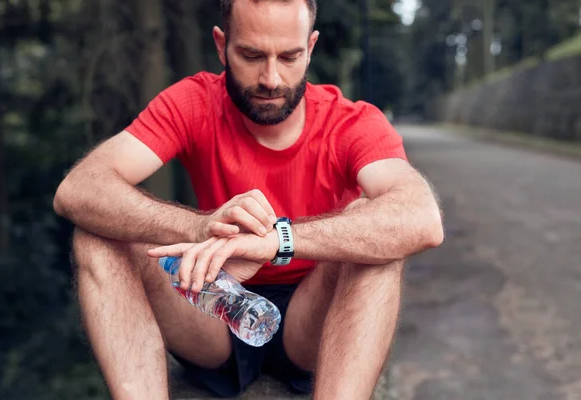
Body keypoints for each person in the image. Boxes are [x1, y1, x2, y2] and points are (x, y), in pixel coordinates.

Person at [53, 0, 444, 398]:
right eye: (252, 55)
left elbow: (421, 219)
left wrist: (277, 241)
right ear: (222, 46)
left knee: (377, 235)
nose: (271, 78)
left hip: (312, 319)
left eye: (290, 56)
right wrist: (198, 226)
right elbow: (79, 188)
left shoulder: (352, 123)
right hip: (213, 305)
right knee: (97, 234)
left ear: (310, 48)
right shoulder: (192, 102)